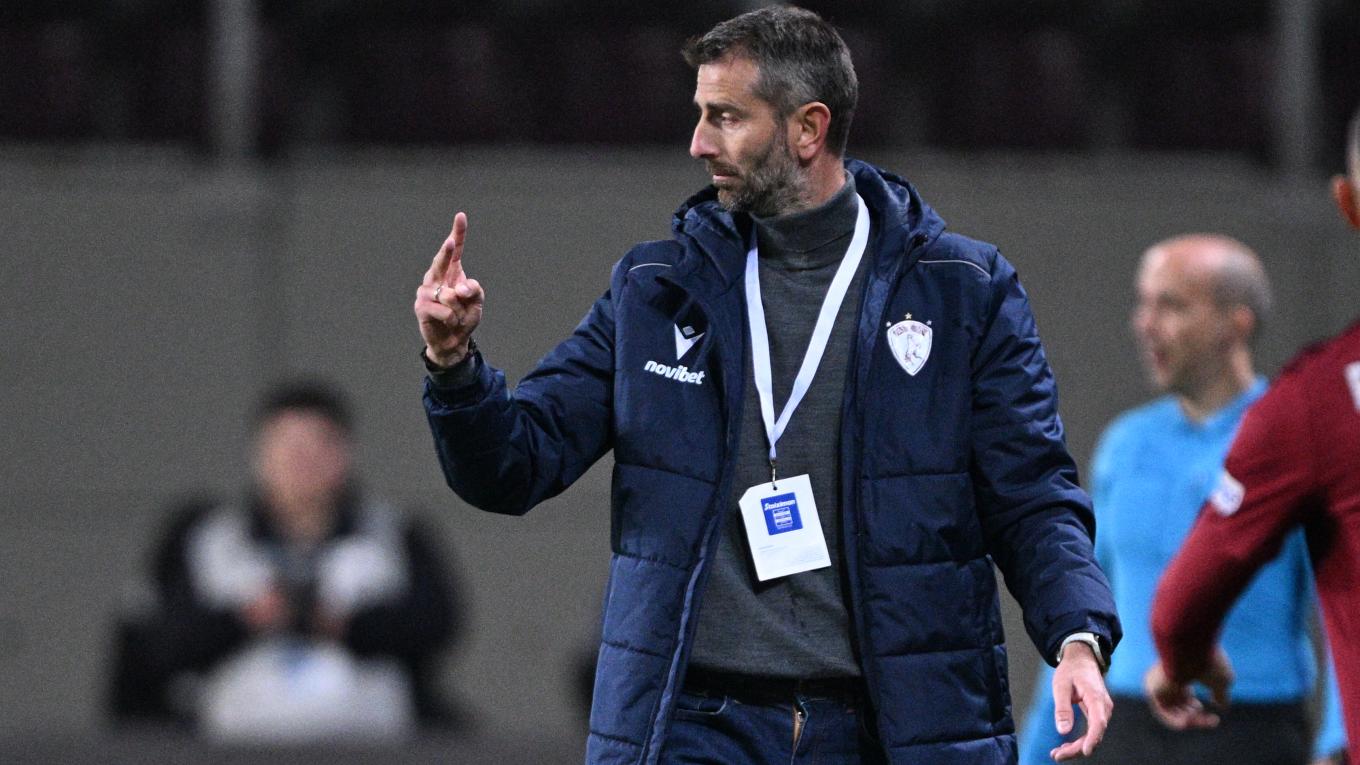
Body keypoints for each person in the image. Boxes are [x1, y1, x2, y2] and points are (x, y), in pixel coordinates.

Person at [415, 7, 1119, 764]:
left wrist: (1076, 636)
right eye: (700, 114)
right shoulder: (657, 290)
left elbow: (1032, 494)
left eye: (725, 117)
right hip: (694, 726)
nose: (698, 142)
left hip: (888, 729)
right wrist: (454, 366)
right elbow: (516, 463)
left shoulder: (962, 291)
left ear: (808, 129)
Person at [1017, 236, 1346, 764]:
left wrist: (1339, 743)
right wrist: (1035, 753)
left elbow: (1345, 604)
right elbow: (1083, 611)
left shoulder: (1292, 439)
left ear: (1234, 324)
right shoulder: (1126, 444)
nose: (1145, 324)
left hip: (1250, 730)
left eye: (1171, 305)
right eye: (1143, 303)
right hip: (1127, 731)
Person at [1147, 106, 1360, 764]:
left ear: (1347, 203)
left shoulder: (1317, 404)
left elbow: (1180, 607)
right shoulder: (1127, 446)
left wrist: (1182, 660)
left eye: (1173, 305)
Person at [112, 381, 462, 741]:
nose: (303, 462)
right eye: (289, 446)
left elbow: (438, 624)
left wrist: (346, 625)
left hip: (374, 742)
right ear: (260, 454)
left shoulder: (392, 536)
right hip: (228, 744)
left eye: (319, 446)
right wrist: (247, 617)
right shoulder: (209, 538)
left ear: (345, 453)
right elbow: (156, 642)